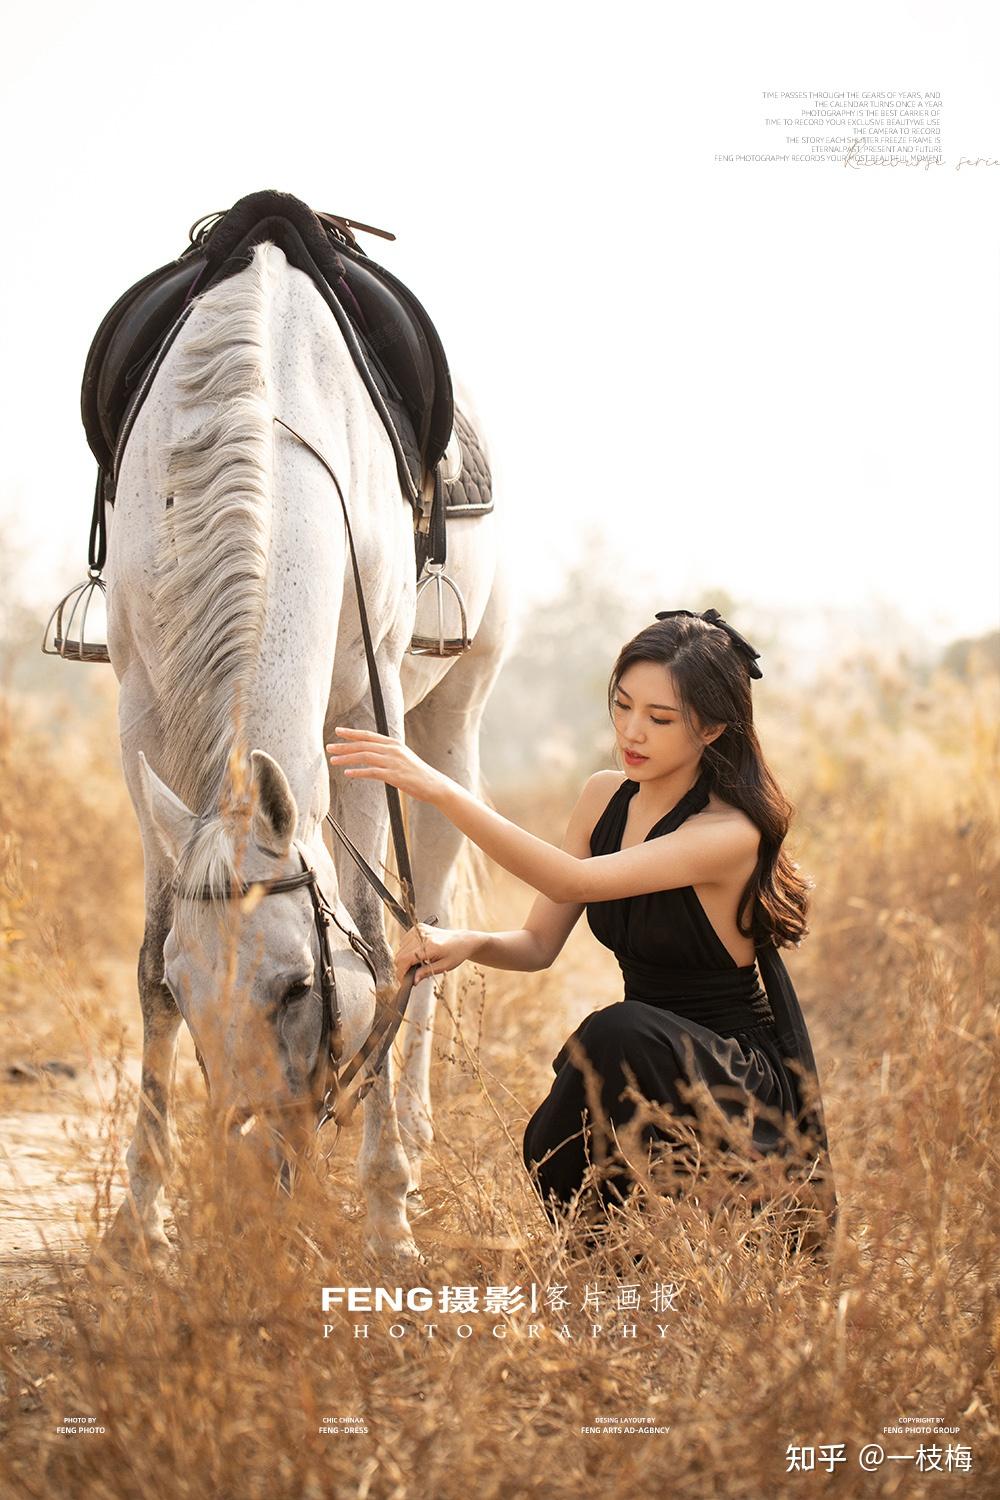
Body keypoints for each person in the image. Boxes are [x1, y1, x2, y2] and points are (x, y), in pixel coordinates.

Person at [326, 608, 837, 1251]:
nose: (631, 731)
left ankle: (729, 1219)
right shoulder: (603, 797)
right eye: (622, 706)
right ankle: (616, 1268)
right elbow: (540, 945)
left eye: (659, 718)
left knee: (614, 1028)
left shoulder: (728, 833)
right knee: (549, 1148)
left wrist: (441, 789)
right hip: (639, 1058)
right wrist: (466, 942)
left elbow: (574, 882)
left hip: (730, 1074)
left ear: (711, 728)